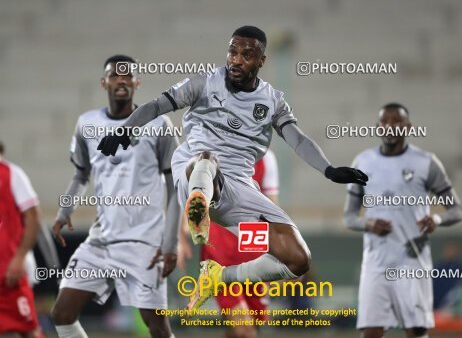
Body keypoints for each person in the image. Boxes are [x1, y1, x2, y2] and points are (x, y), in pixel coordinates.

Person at [98, 26, 368, 311]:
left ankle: (218, 277)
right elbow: (155, 106)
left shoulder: (273, 101)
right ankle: (198, 204)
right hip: (192, 170)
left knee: (298, 258)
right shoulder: (203, 83)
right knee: (206, 159)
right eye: (232, 52)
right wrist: (125, 131)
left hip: (237, 189)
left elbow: (297, 139)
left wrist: (329, 170)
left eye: (246, 54)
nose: (236, 60)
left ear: (261, 61)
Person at [50, 55, 182, 338]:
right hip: (102, 241)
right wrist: (64, 212)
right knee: (62, 313)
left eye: (127, 75)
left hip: (144, 243)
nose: (121, 80)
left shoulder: (159, 124)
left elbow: (175, 187)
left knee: (157, 326)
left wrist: (170, 243)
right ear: (104, 82)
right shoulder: (87, 123)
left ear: (137, 82)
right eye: (114, 75)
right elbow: (81, 174)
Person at [343, 103, 462, 338]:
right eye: (385, 121)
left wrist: (437, 219)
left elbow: (457, 210)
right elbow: (349, 217)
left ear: (408, 126)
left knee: (416, 330)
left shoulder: (426, 162)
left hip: (412, 261)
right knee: (370, 331)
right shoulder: (363, 163)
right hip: (376, 262)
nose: (390, 126)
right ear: (378, 127)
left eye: (396, 121)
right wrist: (369, 224)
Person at [178, 148, 279, 338]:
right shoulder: (204, 154)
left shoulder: (266, 159)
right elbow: (191, 198)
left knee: (250, 327)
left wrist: (283, 248)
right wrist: (182, 237)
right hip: (219, 255)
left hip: (253, 247)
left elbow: (272, 208)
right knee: (245, 329)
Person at [0, 141, 44, 338]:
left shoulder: (11, 174)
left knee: (27, 327)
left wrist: (19, 258)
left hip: (8, 269)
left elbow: (34, 216)